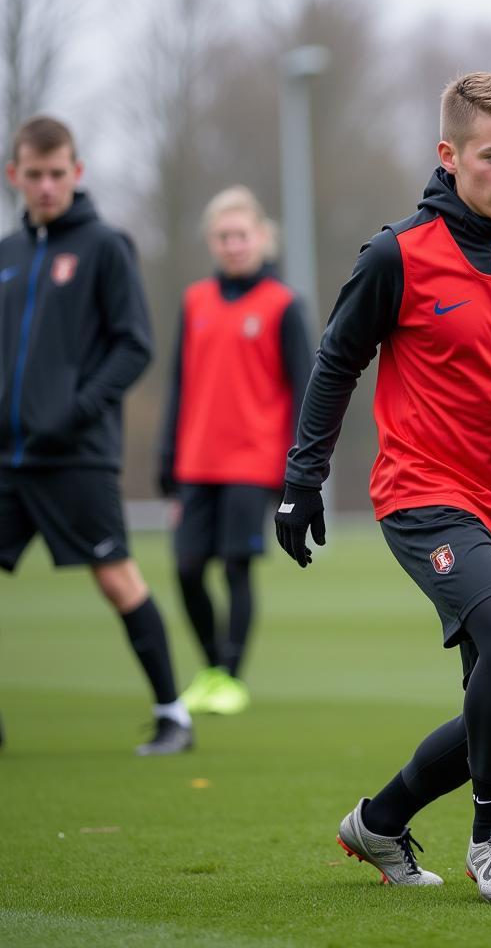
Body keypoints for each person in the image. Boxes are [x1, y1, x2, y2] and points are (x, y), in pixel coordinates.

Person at [274, 72, 491, 901]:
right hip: (422, 492)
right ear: (449, 155)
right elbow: (335, 364)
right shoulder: (398, 254)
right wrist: (301, 480)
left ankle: (381, 821)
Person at [0, 115, 192, 755]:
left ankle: (173, 716)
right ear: (15, 176)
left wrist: (73, 411)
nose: (47, 185)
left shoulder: (106, 246)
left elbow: (134, 347)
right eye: (35, 175)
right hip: (8, 456)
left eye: (59, 174)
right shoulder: (9, 254)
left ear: (76, 173)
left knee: (115, 578)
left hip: (77, 454)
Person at [158, 186, 312, 715]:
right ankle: (211, 668)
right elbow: (179, 382)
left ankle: (231, 679)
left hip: (254, 459)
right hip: (197, 459)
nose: (233, 244)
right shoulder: (195, 301)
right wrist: (166, 457)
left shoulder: (283, 304)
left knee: (235, 565)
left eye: (242, 235)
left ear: (262, 238)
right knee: (185, 566)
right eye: (223, 236)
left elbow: (304, 388)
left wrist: (298, 464)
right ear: (212, 242)